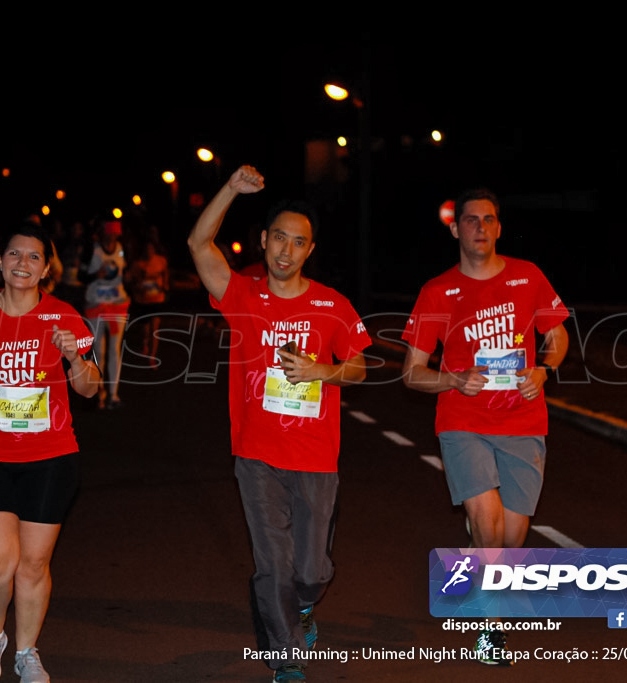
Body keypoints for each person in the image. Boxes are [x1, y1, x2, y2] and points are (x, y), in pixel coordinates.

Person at [188, 165, 371, 682]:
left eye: (299, 243)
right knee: (272, 565)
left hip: (315, 456)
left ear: (310, 250)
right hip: (256, 455)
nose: (287, 251)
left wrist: (322, 370)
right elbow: (199, 244)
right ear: (264, 241)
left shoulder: (331, 305)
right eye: (279, 239)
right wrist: (229, 189)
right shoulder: (243, 296)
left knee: (310, 571)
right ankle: (287, 658)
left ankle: (306, 606)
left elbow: (357, 367)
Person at [401, 188, 569, 665]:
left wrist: (543, 370)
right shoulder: (437, 291)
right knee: (492, 530)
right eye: (470, 220)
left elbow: (556, 336)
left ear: (498, 227)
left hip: (523, 420)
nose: (479, 228)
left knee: (510, 542)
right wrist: (453, 378)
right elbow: (412, 372)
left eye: (488, 220)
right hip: (463, 421)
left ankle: (472, 555)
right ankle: (490, 631)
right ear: (455, 229)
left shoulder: (527, 277)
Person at [0, 221, 99, 683]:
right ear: (0, 261)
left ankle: (27, 651)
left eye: (33, 257)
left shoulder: (64, 317)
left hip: (50, 453)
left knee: (32, 563)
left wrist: (75, 358)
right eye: (14, 254)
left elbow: (90, 390)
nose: (22, 263)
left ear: (46, 267)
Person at [84, 220, 129, 409]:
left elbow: (127, 272)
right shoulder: (92, 250)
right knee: (98, 350)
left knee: (114, 350)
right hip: (96, 305)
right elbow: (80, 276)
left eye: (114, 236)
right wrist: (96, 275)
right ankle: (99, 392)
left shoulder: (122, 249)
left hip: (117, 305)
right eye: (108, 235)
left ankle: (114, 394)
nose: (111, 239)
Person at [126, 237, 168, 370]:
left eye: (151, 249)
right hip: (142, 300)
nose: (149, 251)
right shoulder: (138, 264)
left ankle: (152, 356)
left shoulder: (161, 261)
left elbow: (165, 275)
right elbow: (131, 280)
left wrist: (165, 285)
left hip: (157, 299)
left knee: (155, 328)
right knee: (145, 329)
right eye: (146, 249)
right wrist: (136, 287)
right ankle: (144, 344)